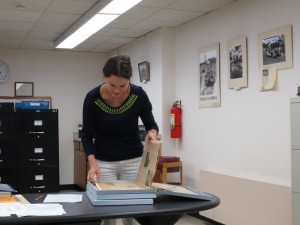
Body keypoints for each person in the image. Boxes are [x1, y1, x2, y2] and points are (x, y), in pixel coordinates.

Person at [81, 55, 159, 225]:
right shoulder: (92, 98)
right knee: (107, 213)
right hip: (103, 162)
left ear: (129, 80)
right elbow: (86, 136)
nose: (116, 91)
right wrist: (93, 163)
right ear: (104, 78)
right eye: (112, 85)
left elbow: (151, 125)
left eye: (122, 86)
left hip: (132, 159)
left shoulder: (138, 95)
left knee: (129, 212)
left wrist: (152, 134)